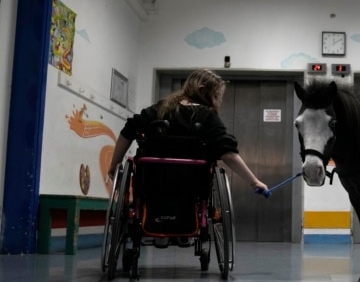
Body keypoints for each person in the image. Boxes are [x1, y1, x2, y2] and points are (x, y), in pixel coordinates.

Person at [107, 69, 268, 193]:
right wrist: (253, 181)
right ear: (202, 90)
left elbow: (128, 131)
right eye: (218, 96)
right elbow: (228, 154)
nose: (219, 102)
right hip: (193, 187)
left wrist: (114, 164)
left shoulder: (161, 109)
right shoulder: (207, 116)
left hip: (152, 184)